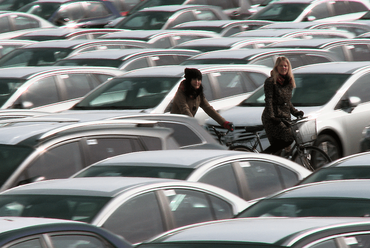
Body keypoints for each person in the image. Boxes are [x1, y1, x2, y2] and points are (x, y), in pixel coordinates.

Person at [261, 56, 304, 155]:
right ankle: (263, 155)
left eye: (285, 66)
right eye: (281, 66)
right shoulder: (271, 81)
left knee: (279, 151)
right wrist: (272, 117)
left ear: (288, 67)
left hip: (284, 117)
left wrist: (295, 112)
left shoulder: (288, 82)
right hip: (271, 118)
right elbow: (269, 100)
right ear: (276, 67)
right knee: (288, 138)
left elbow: (287, 102)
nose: (283, 68)